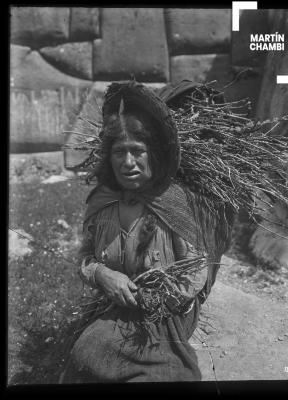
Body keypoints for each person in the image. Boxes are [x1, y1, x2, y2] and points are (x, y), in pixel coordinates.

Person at [60, 81, 232, 383]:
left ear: (153, 154)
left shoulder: (175, 205)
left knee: (161, 372)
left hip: (166, 316)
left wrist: (146, 300)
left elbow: (194, 279)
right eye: (119, 152)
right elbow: (85, 256)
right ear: (108, 157)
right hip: (116, 306)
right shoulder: (103, 203)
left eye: (137, 151)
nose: (128, 163)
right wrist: (101, 274)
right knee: (84, 355)